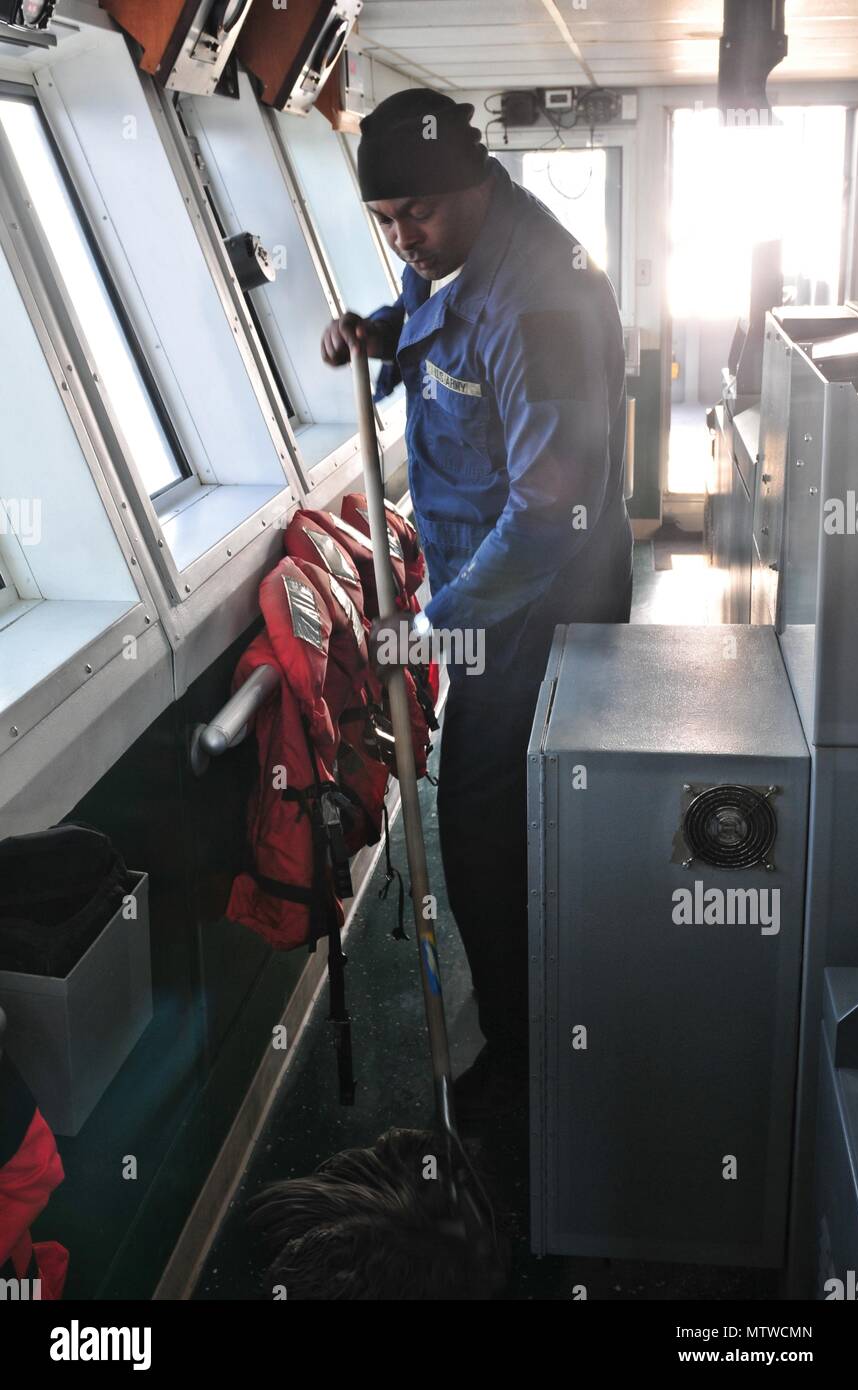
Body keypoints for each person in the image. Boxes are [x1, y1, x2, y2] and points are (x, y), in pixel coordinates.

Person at [321, 89, 633, 1123]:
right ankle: (535, 1017)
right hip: (484, 592)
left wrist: (433, 623)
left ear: (476, 181)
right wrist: (371, 331)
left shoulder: (538, 299)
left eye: (419, 214)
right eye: (386, 221)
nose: (404, 238)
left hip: (544, 603)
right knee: (502, 823)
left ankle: (530, 1057)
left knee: (490, 829)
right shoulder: (454, 258)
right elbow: (427, 317)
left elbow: (547, 513)